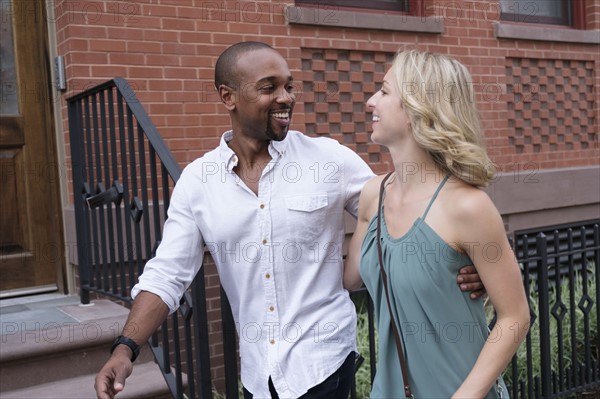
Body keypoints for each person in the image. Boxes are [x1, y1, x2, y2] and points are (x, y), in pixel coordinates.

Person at [95, 42, 485, 399]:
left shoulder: (328, 160)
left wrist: (475, 258)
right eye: (269, 88)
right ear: (228, 97)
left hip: (325, 364)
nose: (285, 98)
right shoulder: (198, 182)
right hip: (258, 376)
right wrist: (126, 347)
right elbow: (167, 274)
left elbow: (412, 211)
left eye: (289, 86)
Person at [345, 49, 530, 398]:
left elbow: (515, 316)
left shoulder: (468, 206)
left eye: (384, 91)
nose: (371, 102)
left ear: (418, 108)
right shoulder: (373, 195)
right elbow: (350, 278)